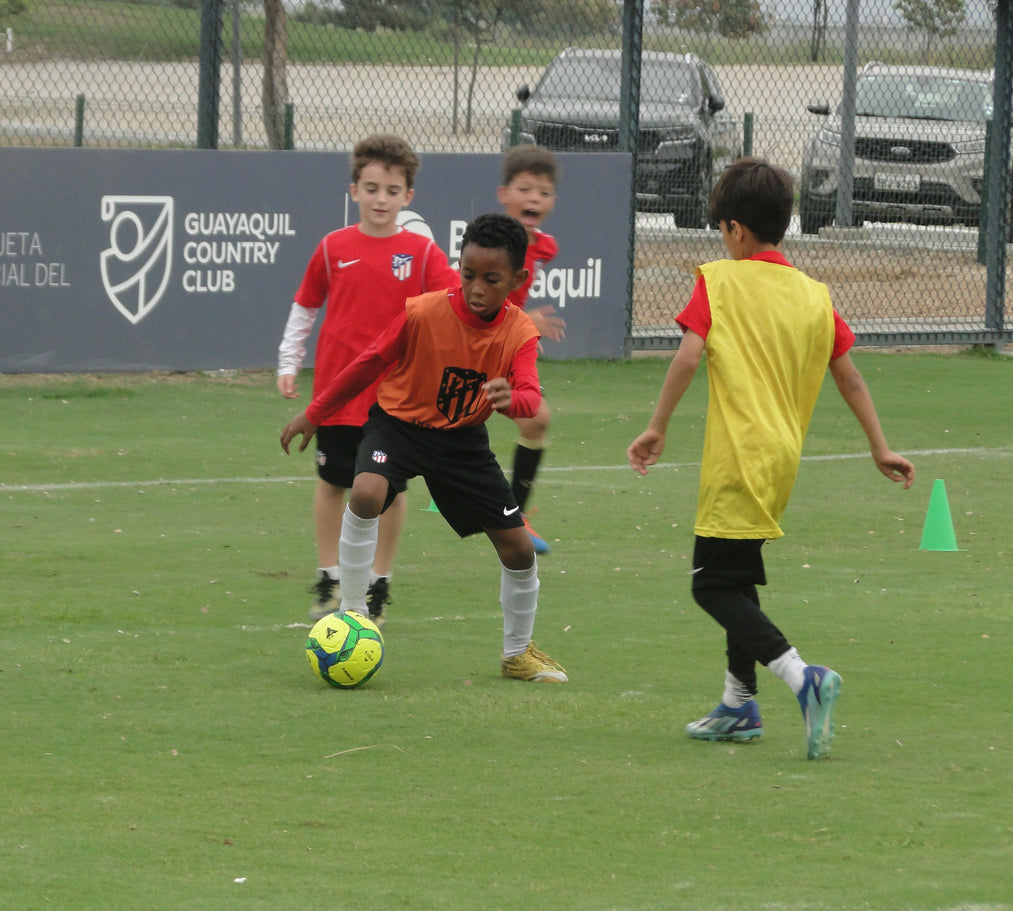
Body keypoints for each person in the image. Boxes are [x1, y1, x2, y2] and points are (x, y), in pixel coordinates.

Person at [625, 158, 915, 758]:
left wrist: (656, 427)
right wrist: (879, 447)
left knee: (710, 587)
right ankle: (738, 705)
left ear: (733, 229)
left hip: (737, 458)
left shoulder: (719, 281)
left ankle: (801, 677)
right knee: (736, 577)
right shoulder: (813, 295)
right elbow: (850, 376)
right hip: (782, 460)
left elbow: (685, 357)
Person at [281, 212, 568, 683]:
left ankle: (517, 654)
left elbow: (532, 399)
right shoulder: (423, 312)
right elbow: (368, 362)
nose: (476, 288)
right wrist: (315, 413)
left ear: (518, 279)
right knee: (367, 492)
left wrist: (511, 398)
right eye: (468, 274)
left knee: (518, 548)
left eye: (491, 279)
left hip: (461, 442)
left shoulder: (519, 332)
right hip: (398, 425)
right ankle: (352, 617)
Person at [277, 134, 458, 626]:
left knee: (391, 492)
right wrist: (287, 362)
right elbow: (306, 305)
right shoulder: (334, 247)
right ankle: (330, 576)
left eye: (392, 190)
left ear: (408, 197)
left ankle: (378, 583)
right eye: (372, 188)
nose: (381, 199)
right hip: (338, 394)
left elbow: (457, 305)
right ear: (353, 190)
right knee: (333, 481)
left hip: (398, 399)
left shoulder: (421, 254)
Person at [496, 145, 565, 554]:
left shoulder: (541, 245)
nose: (534, 198)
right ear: (504, 194)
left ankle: (513, 516)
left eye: (543, 192)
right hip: (470, 351)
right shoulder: (494, 244)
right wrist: (527, 321)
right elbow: (477, 302)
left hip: (500, 351)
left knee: (536, 420)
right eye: (525, 189)